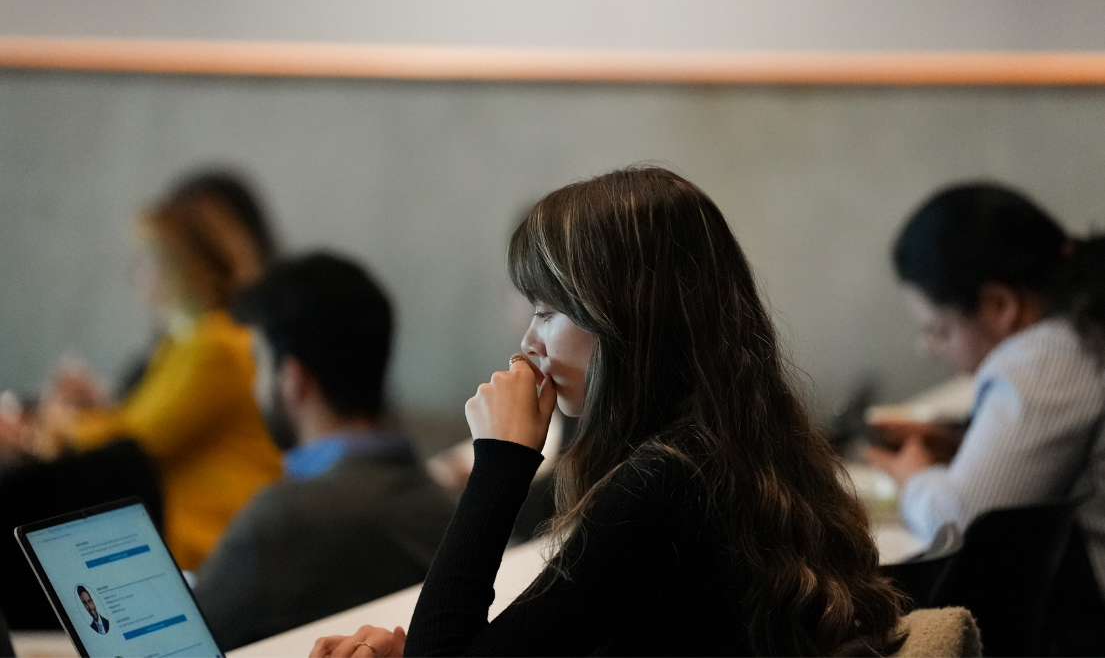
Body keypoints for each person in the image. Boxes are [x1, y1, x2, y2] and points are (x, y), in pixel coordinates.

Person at [311, 167, 903, 657]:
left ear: (627, 320)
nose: (527, 345)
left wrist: (500, 464)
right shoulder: (733, 445)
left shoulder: (664, 483)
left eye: (546, 312)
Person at [864, 181, 1105, 651]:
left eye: (940, 330)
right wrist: (963, 450)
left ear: (999, 305)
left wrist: (915, 477)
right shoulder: (1082, 326)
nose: (934, 349)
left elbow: (962, 523)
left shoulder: (1046, 356)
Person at [4, 171, 283, 571]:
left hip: (205, 546)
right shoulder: (186, 343)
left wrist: (37, 429)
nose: (135, 274)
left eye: (146, 260)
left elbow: (132, 445)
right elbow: (130, 425)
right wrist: (72, 415)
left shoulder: (217, 346)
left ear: (182, 268)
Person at [191, 253, 455, 650]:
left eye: (258, 364)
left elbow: (176, 643)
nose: (253, 387)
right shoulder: (447, 504)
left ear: (294, 379)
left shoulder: (282, 521)